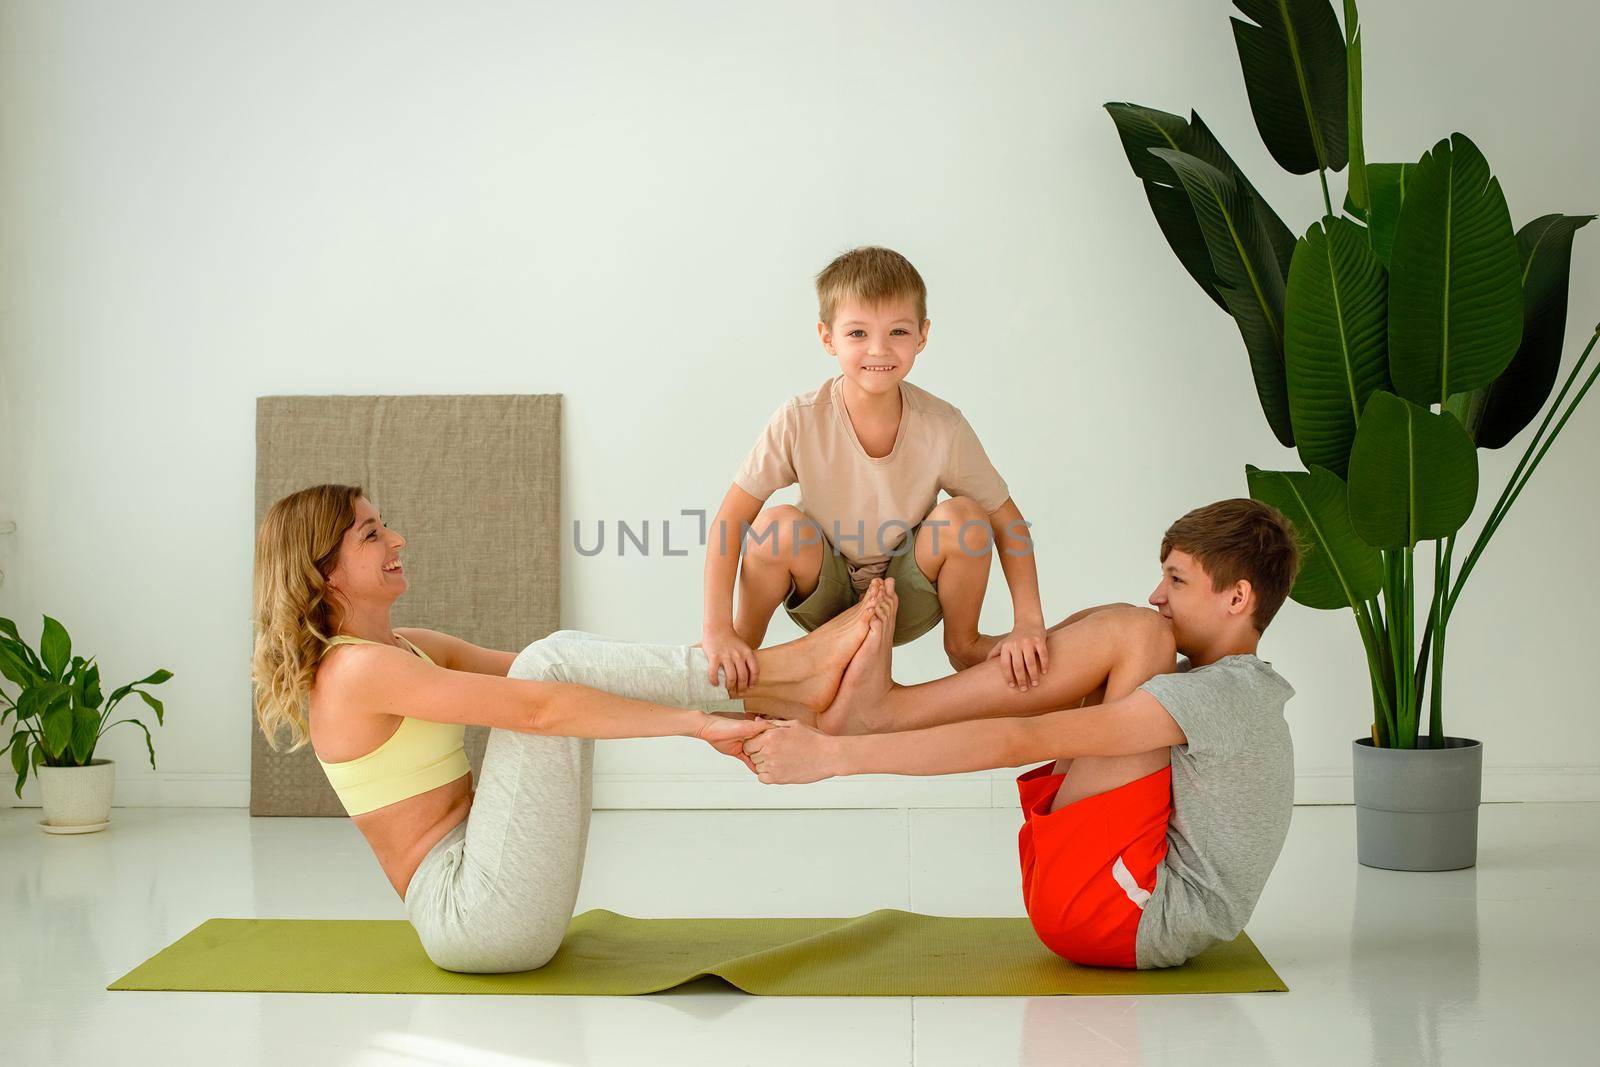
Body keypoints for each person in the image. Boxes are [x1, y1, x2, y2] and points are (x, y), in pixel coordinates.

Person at [250, 484, 877, 973]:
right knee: (550, 667)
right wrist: (695, 724)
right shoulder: (354, 671)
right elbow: (538, 709)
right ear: (327, 571)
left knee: (551, 659)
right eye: (372, 533)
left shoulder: (405, 648)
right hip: (474, 915)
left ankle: (793, 690)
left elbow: (587, 678)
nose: (398, 539)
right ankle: (795, 672)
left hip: (497, 884)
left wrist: (733, 695)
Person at [743, 499, 1302, 970]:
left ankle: (881, 712)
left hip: (1127, 913)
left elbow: (1023, 739)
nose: (1159, 594)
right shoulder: (1213, 688)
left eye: (1177, 580)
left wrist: (833, 757)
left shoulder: (1225, 697)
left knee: (1137, 631)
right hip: (1098, 898)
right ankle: (893, 697)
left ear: (1237, 598)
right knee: (1117, 623)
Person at [699, 245, 1050, 696]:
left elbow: (1008, 521)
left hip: (906, 594)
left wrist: (1029, 623)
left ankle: (963, 645)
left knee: (965, 516)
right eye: (858, 333)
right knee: (776, 525)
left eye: (898, 331)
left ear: (922, 336)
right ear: (828, 338)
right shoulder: (800, 418)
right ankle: (737, 647)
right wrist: (716, 627)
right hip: (824, 591)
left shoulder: (942, 426)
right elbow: (731, 519)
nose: (879, 350)